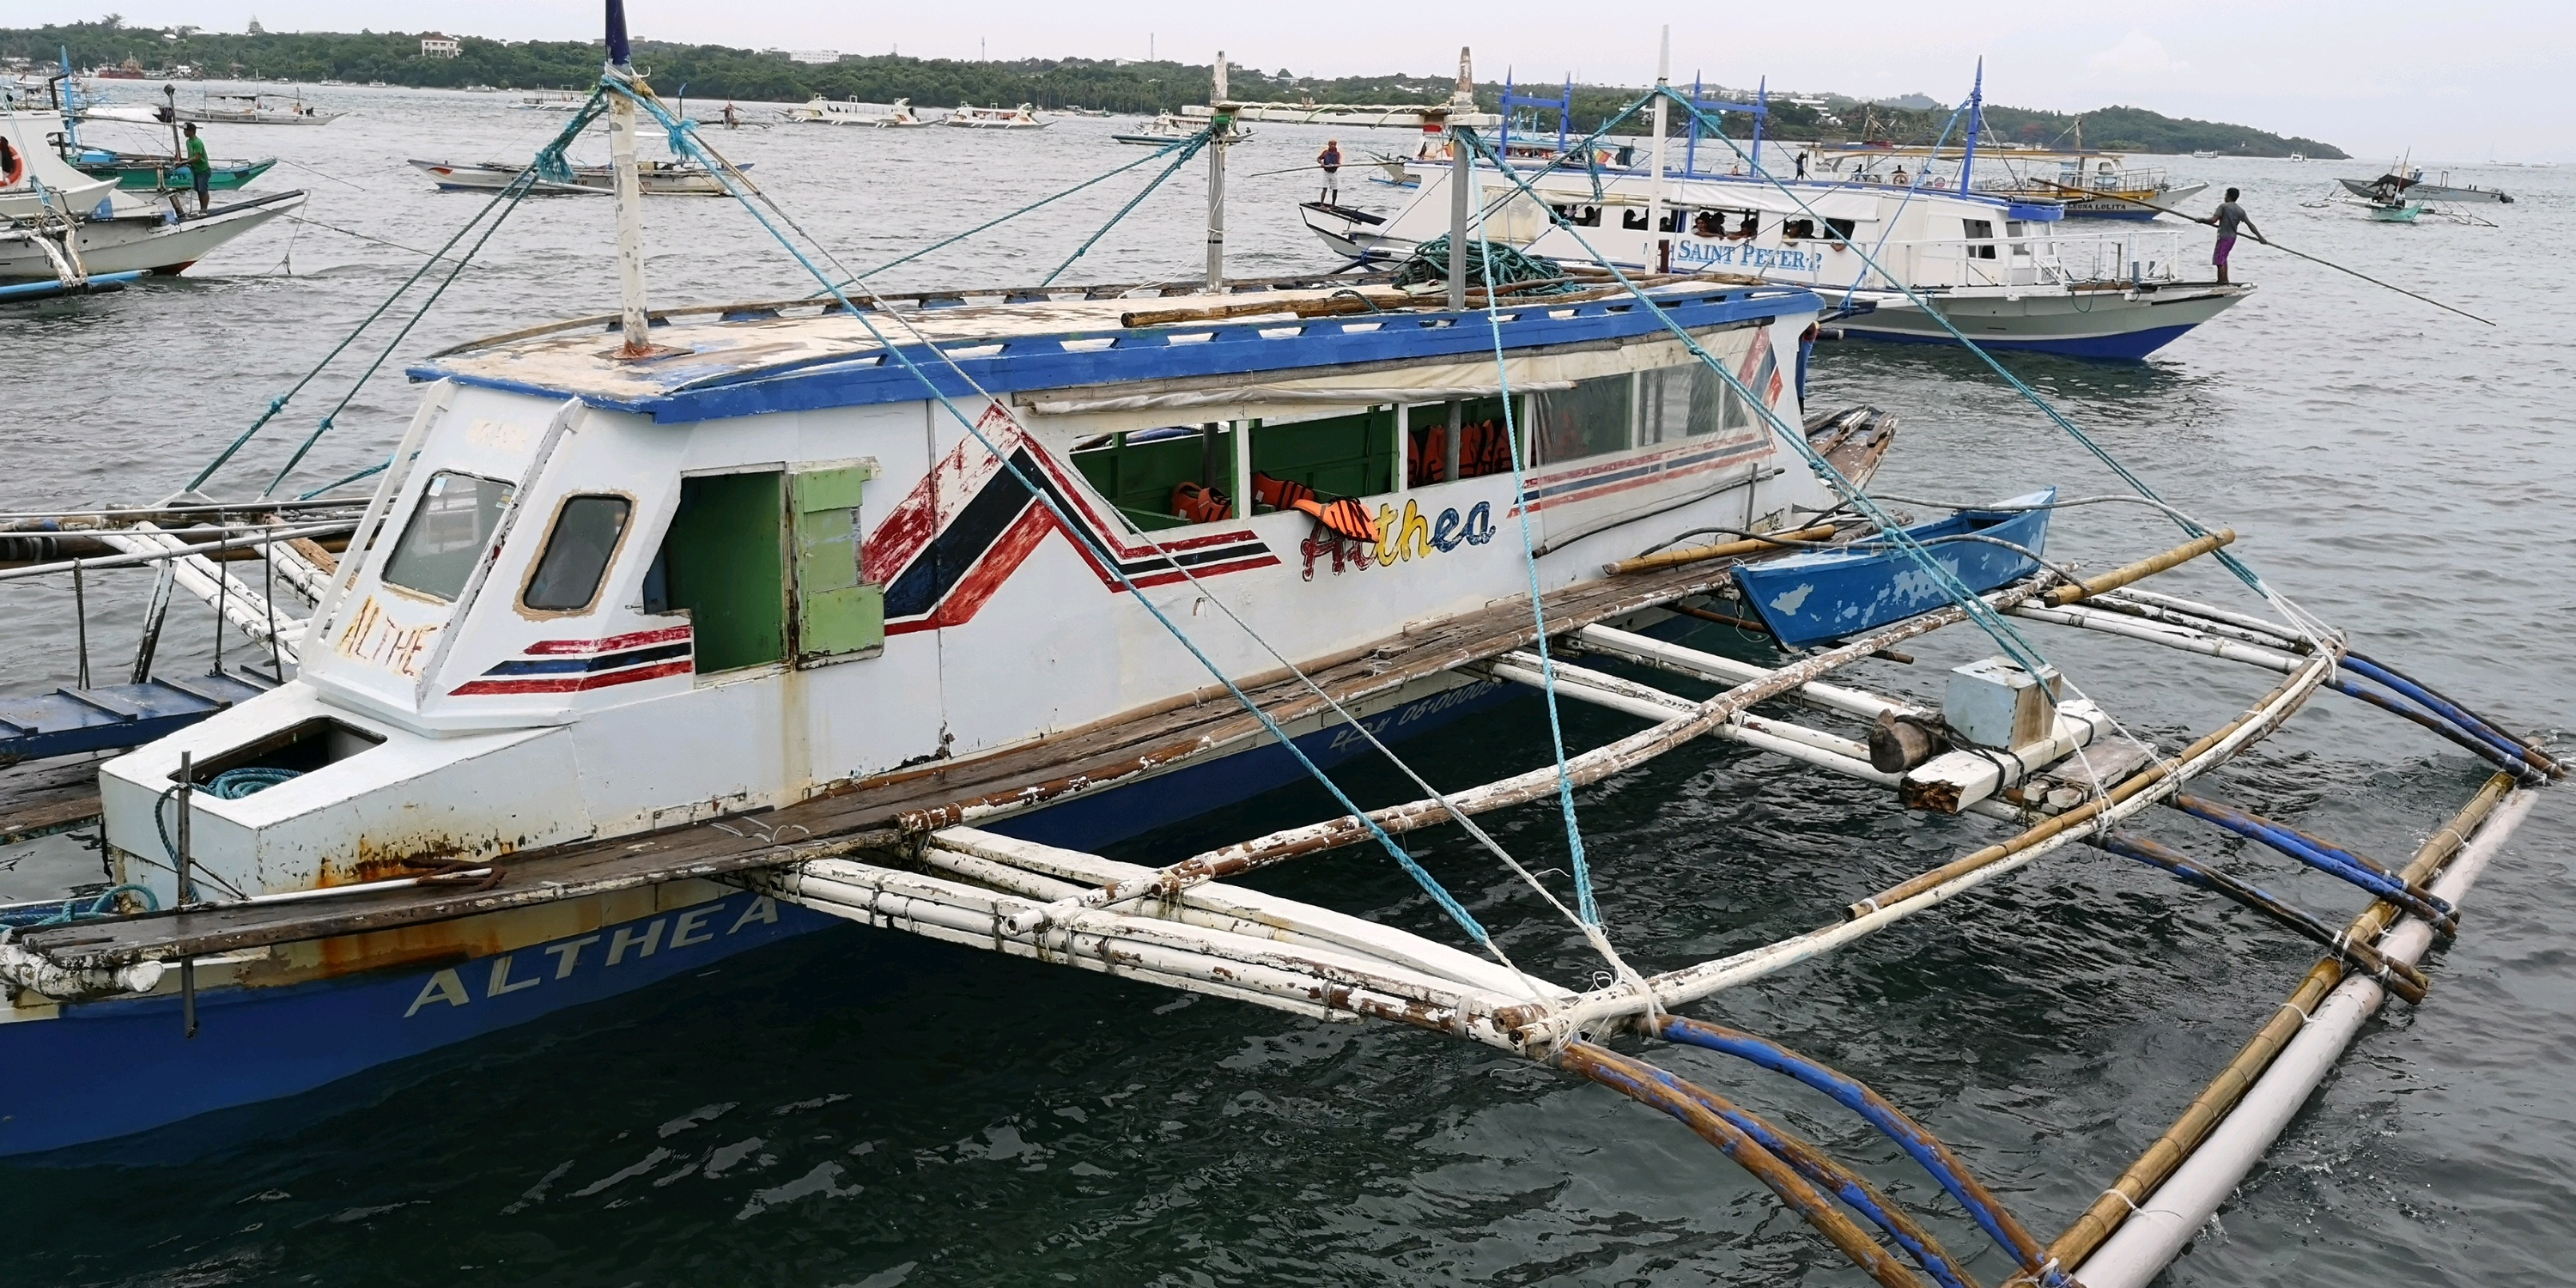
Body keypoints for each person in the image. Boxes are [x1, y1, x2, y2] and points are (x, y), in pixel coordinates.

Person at [2200, 186, 2261, 285]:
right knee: (2224, 258)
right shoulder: (2240, 210)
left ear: (2229, 196)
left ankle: (2221, 282)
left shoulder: (2223, 206)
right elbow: (2250, 225)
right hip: (2232, 238)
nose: (2224, 197)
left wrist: (2202, 220)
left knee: (2219, 260)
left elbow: (2213, 220)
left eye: (2225, 195)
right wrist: (2260, 238)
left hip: (2224, 237)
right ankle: (2225, 280)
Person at [180, 122, 212, 214]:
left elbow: (197, 157)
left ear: (191, 131)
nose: (184, 132)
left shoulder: (197, 142)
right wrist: (186, 162)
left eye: (186, 130)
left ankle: (204, 209)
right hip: (195, 169)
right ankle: (201, 208)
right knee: (198, 190)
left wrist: (185, 162)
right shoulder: (188, 142)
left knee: (203, 190)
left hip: (203, 170)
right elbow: (190, 155)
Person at [1315, 139, 1342, 205]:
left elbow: (1338, 163)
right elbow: (1318, 158)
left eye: (1334, 145)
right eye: (1331, 144)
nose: (1333, 146)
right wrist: (1322, 163)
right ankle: (1322, 204)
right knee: (1325, 188)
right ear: (1329, 145)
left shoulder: (1337, 154)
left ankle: (1333, 204)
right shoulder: (1325, 153)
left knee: (1335, 189)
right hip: (1326, 173)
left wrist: (1336, 166)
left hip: (1334, 173)